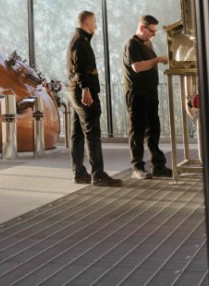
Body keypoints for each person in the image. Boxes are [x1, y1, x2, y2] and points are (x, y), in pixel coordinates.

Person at [67, 10, 122, 187]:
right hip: (83, 91)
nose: (96, 25)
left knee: (77, 133)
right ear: (87, 23)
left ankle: (79, 173)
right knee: (92, 132)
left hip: (76, 90)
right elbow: (79, 69)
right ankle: (98, 174)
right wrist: (86, 89)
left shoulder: (79, 39)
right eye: (95, 22)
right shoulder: (80, 42)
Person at [122, 14, 172, 179]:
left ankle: (158, 165)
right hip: (137, 95)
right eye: (152, 30)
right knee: (137, 131)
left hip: (150, 93)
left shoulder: (147, 44)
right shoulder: (131, 44)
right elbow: (137, 67)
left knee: (153, 129)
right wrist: (157, 60)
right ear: (143, 28)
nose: (154, 34)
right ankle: (137, 167)